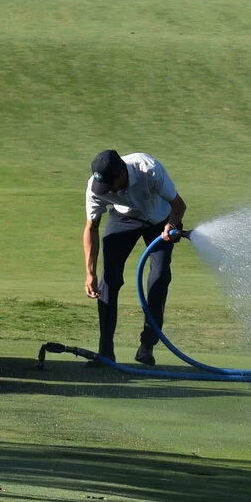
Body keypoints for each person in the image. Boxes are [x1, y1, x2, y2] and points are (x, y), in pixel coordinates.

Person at [82, 148, 187, 365]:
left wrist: (172, 225)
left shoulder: (148, 169)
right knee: (109, 279)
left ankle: (147, 346)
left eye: (111, 184)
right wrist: (89, 273)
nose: (107, 190)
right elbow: (91, 227)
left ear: (121, 174)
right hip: (124, 218)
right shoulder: (96, 187)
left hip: (160, 219)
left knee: (159, 277)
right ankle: (105, 352)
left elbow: (179, 205)